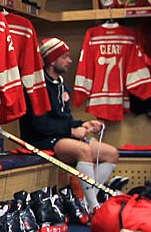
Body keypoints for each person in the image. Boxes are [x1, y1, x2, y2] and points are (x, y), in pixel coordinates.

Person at [20, 36, 126, 211]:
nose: (70, 61)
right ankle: (93, 207)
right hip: (40, 139)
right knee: (84, 150)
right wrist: (71, 131)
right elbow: (40, 124)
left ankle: (82, 200)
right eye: (65, 57)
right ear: (52, 60)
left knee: (111, 153)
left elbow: (65, 119)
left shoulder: (61, 85)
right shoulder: (37, 86)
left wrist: (84, 124)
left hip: (62, 137)